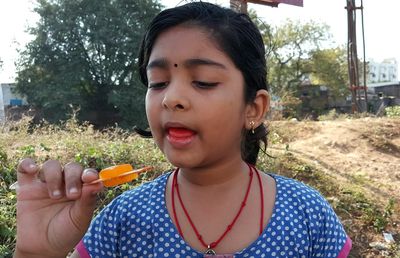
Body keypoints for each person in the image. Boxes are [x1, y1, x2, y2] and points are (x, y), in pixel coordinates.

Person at [14, 2, 352, 257]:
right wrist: (37, 252)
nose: (171, 98)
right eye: (158, 82)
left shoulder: (307, 215)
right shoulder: (121, 222)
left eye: (203, 82)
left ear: (254, 108)